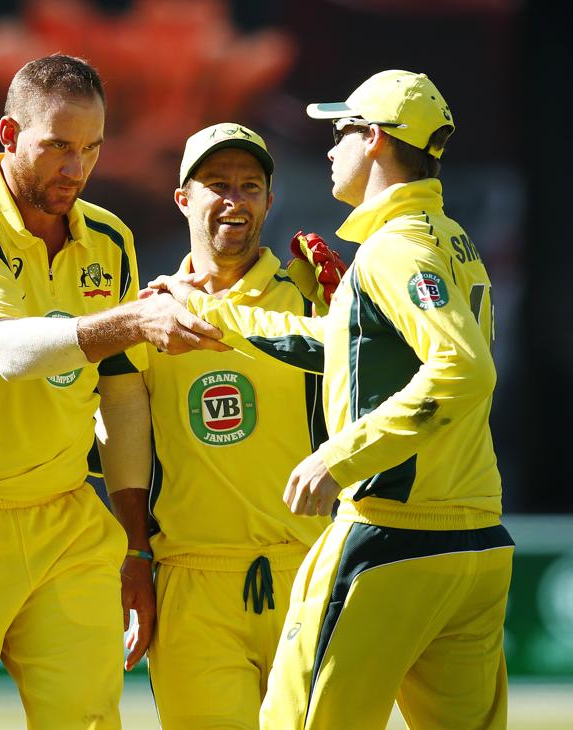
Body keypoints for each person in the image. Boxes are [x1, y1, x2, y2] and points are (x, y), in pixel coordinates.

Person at [0, 53, 227, 730]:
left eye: (91, 148)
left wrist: (134, 545)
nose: (76, 169)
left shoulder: (109, 237)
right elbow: (9, 352)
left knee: (90, 720)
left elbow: (120, 397)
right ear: (8, 135)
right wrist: (132, 321)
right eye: (58, 146)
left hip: (65, 518)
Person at [150, 70, 514, 730]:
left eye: (341, 130)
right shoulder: (448, 239)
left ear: (374, 139)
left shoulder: (393, 250)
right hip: (476, 541)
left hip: (392, 534)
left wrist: (338, 458)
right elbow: (339, 346)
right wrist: (215, 313)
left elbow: (463, 369)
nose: (329, 147)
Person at [96, 122, 343, 729]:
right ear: (183, 199)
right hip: (191, 580)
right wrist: (135, 554)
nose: (235, 199)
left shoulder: (313, 301)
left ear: (269, 200)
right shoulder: (148, 313)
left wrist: (355, 315)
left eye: (250, 186)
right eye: (217, 184)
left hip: (307, 570)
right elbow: (124, 444)